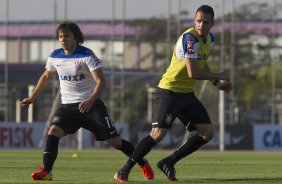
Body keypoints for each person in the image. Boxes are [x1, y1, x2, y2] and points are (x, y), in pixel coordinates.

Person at [20, 22, 154, 181]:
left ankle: (142, 162)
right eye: (60, 36)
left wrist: (90, 101)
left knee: (115, 142)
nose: (62, 39)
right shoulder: (55, 56)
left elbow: (101, 81)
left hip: (92, 105)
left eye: (66, 36)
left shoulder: (87, 55)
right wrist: (32, 97)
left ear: (75, 37)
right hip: (68, 107)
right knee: (53, 131)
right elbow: (46, 76)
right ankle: (47, 171)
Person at [114, 5, 233, 182]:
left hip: (186, 93)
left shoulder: (210, 40)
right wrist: (219, 75)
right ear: (194, 21)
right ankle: (123, 171)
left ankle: (168, 162)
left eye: (205, 22)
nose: (201, 25)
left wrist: (216, 83)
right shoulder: (190, 39)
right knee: (157, 134)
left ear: (212, 24)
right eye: (198, 21)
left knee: (207, 133)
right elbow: (193, 73)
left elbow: (201, 64)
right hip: (169, 91)